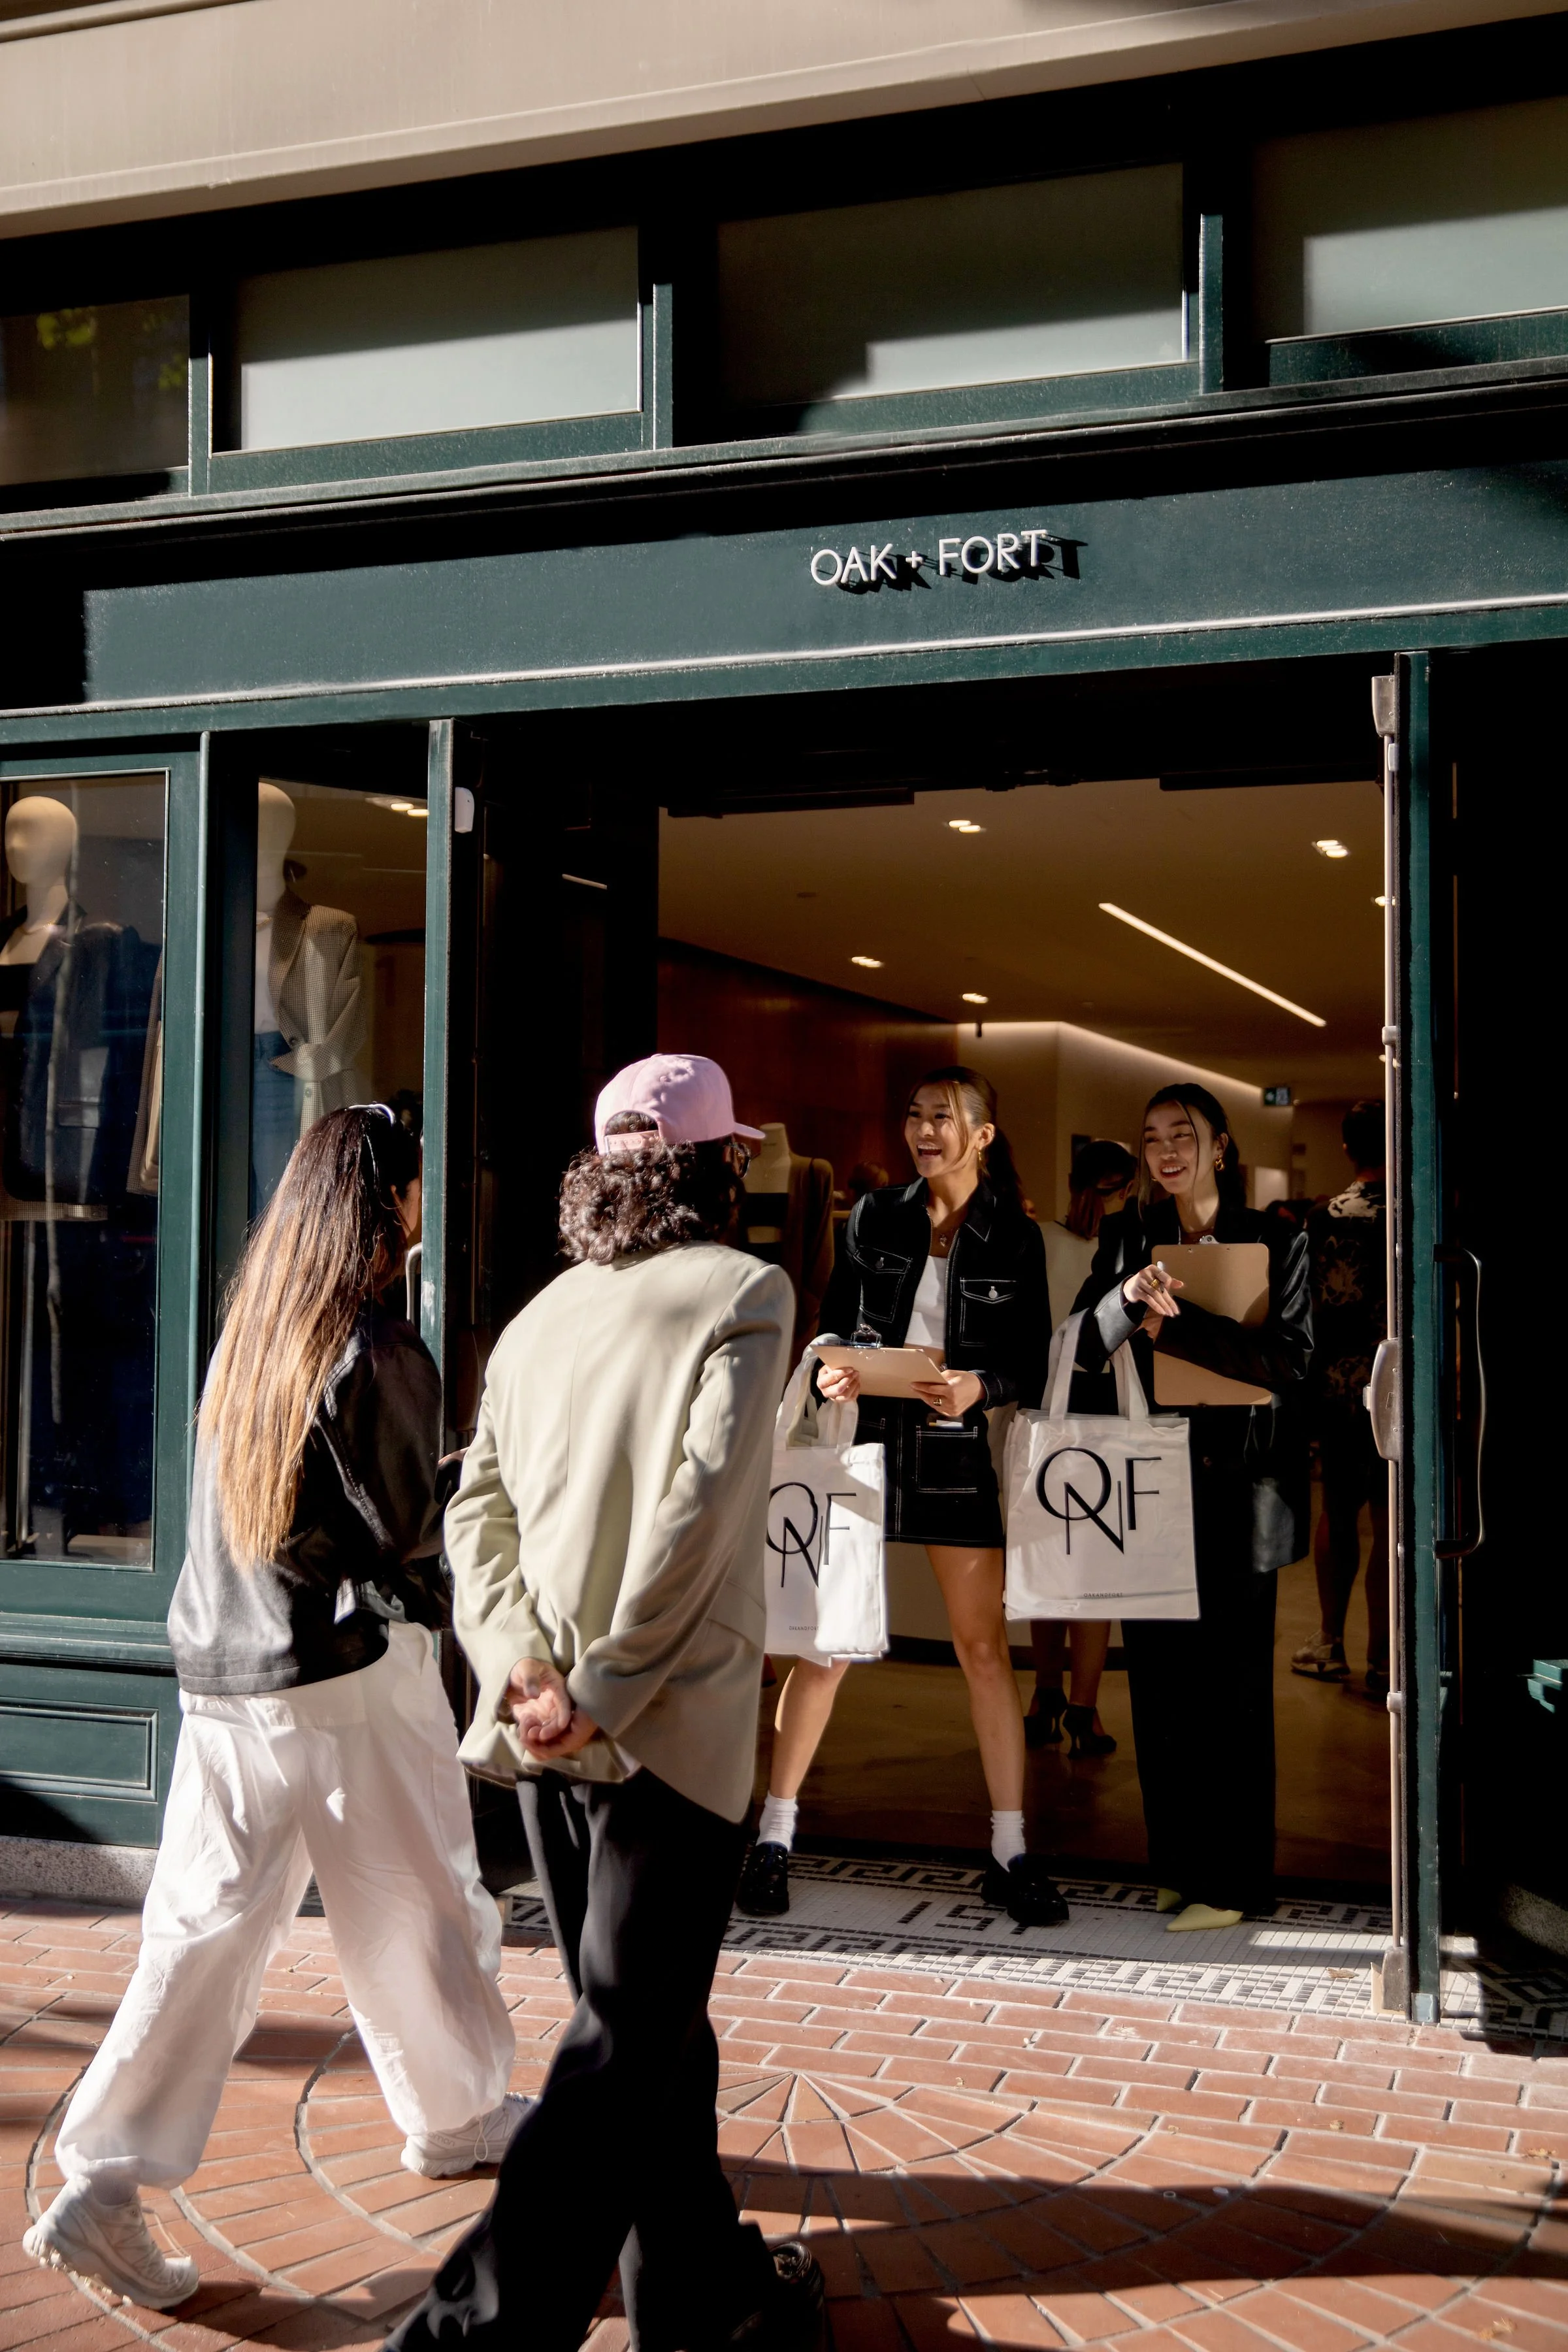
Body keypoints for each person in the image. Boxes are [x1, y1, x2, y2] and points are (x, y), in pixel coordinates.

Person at [23, 1107, 518, 2311]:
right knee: (420, 1904)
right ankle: (455, 2112)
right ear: (387, 1204)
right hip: (347, 1671)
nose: (424, 1207)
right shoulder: (374, 1346)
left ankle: (103, 2179)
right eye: (414, 1188)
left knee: (204, 1934)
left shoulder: (254, 1332)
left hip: (224, 1673)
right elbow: (407, 1538)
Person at [387, 1053, 823, 2352]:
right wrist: (605, 1689)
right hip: (666, 1730)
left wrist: (525, 1669)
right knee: (626, 2045)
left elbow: (475, 1513)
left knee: (649, 2030)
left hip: (543, 1731)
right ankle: (467, 2336)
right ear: (719, 1166)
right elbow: (699, 1517)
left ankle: (697, 2293)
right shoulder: (747, 1291)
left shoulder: (541, 1317)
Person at [737, 1066, 1068, 1930]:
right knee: (827, 1646)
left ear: (982, 1135)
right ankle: (774, 1836)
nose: (923, 1130)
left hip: (955, 1455)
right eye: (915, 1115)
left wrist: (980, 1387)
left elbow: (1029, 1361)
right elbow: (837, 1320)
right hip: (865, 1447)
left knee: (983, 1651)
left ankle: (1010, 1850)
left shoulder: (1013, 1235)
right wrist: (832, 1363)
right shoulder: (876, 1215)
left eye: (942, 1117)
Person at [1072, 1082, 1311, 1929]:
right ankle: (1178, 1868)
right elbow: (1081, 1345)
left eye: (1183, 1134)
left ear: (1220, 1146)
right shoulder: (1130, 1236)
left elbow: (1290, 1364)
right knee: (1161, 1687)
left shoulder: (1276, 1237)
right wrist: (1126, 1302)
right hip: (1152, 1484)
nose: (1166, 1151)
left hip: (1245, 1492)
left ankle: (1236, 1884)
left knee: (1232, 1693)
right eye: (1152, 1138)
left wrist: (1176, 1331)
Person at [1030, 1139, 1138, 1756]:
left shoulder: (1037, 1240)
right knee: (1092, 1572)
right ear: (1129, 1188)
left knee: (1044, 1561)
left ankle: (1042, 1696)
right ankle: (1084, 1709)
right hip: (1102, 1413)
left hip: (1041, 1409)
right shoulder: (1128, 1246)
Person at [1293, 1100, 1390, 1697]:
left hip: (1337, 1384)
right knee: (1389, 1519)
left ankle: (1330, 1641)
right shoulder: (1414, 1214)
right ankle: (1384, 1658)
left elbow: (1306, 1307)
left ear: (1348, 1148)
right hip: (1399, 1384)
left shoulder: (1322, 1216)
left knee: (1338, 1510)